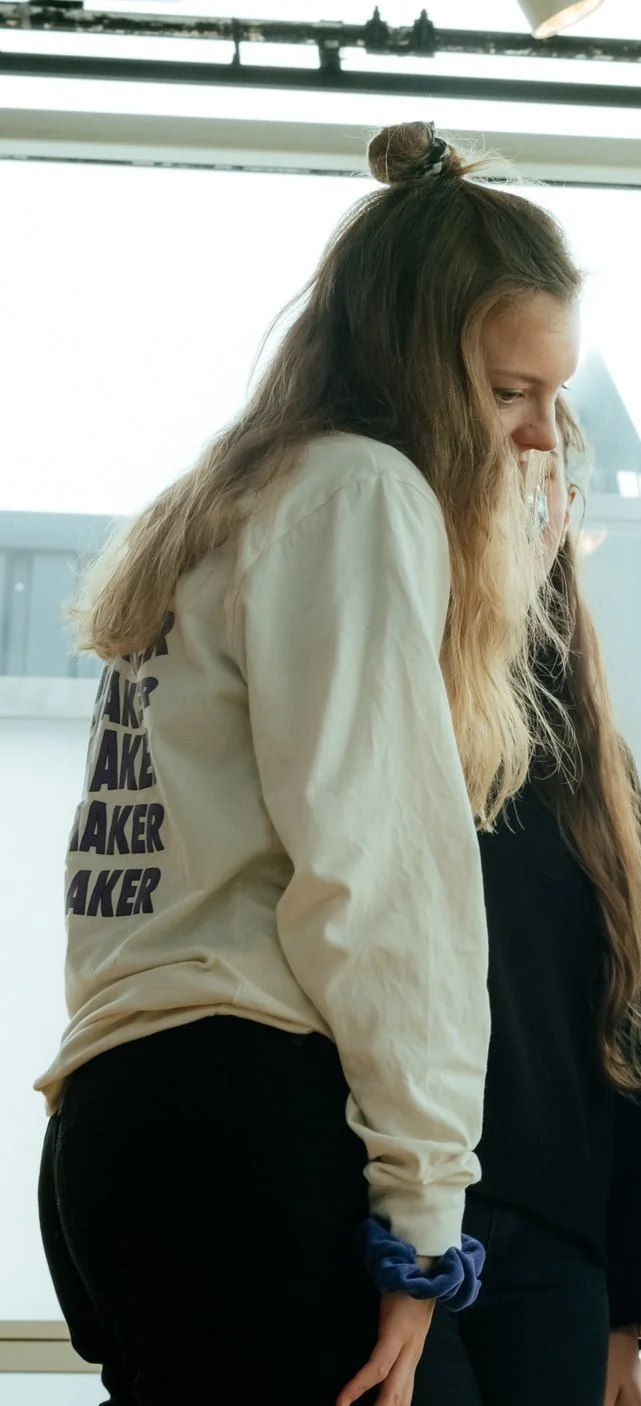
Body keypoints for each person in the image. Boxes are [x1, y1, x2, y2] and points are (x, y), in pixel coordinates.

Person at [36, 121, 580, 1406]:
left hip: (123, 1117)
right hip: (252, 1115)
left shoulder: (223, 503)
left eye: (553, 398)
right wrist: (424, 1214)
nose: (540, 438)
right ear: (419, 364)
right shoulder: (360, 494)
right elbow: (381, 879)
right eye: (510, 393)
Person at [413, 432, 641, 1404]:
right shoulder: (391, 711)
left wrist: (628, 1319)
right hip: (394, 1214)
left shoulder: (596, 767)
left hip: (558, 1254)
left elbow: (638, 1043)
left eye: (547, 502)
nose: (528, 523)